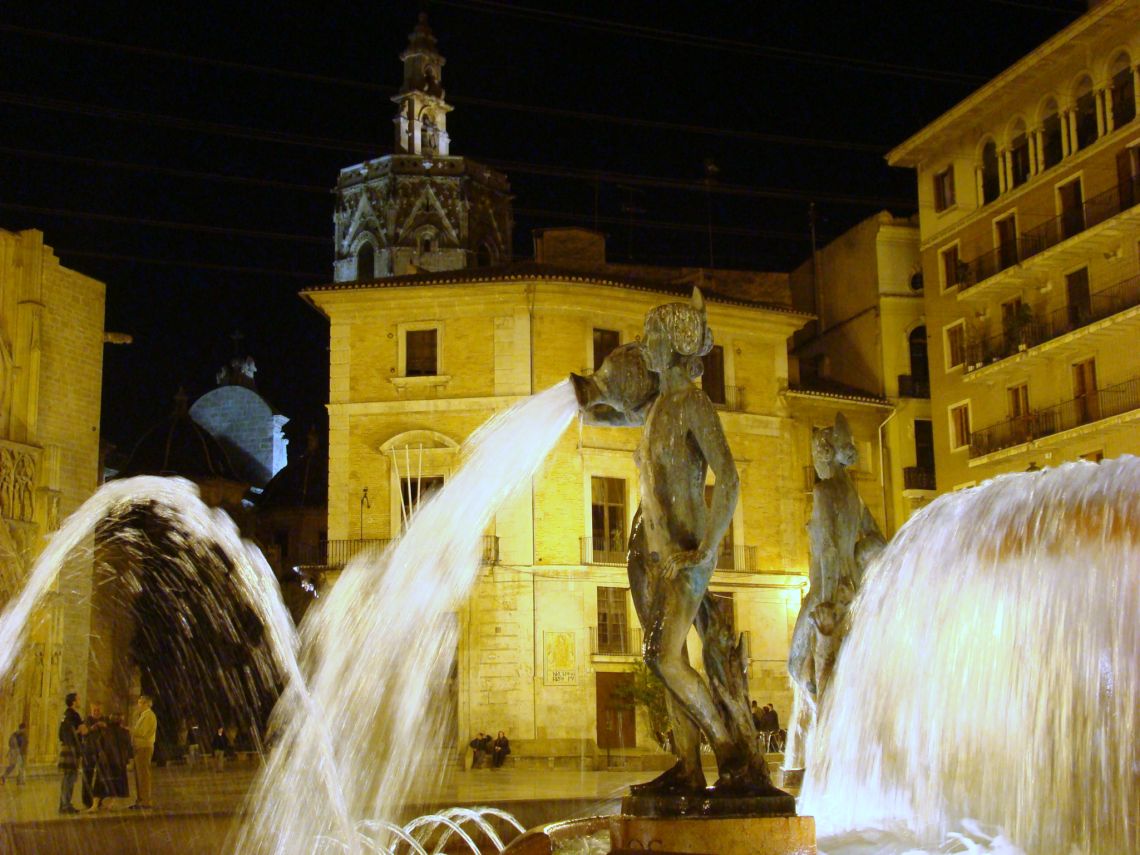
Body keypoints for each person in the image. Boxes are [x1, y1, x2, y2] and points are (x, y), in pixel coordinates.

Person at [81, 702, 109, 810]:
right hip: (89, 751)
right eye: (94, 710)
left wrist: (105, 726)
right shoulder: (87, 720)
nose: (96, 712)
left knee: (101, 776)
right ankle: (87, 801)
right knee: (87, 775)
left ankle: (98, 800)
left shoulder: (105, 720)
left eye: (98, 710)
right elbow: (84, 732)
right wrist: (93, 727)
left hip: (101, 752)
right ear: (91, 710)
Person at [130, 694, 157, 809]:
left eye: (141, 702)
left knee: (143, 774)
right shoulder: (143, 715)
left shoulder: (149, 715)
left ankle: (145, 800)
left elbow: (143, 732)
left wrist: (130, 730)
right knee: (139, 775)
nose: (138, 705)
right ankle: (140, 799)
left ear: (147, 704)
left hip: (144, 747)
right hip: (140, 747)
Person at [58, 693, 83, 813]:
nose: (79, 701)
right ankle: (66, 805)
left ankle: (63, 804)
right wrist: (81, 730)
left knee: (67, 777)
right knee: (70, 778)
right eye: (78, 699)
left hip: (66, 747)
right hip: (72, 748)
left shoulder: (65, 715)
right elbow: (78, 731)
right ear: (73, 702)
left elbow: (61, 734)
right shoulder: (74, 715)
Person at [103, 713, 132, 807]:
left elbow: (103, 744)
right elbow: (128, 746)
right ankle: (111, 801)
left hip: (109, 759)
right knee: (117, 781)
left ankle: (105, 800)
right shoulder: (124, 732)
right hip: (119, 760)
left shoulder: (107, 731)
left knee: (108, 780)